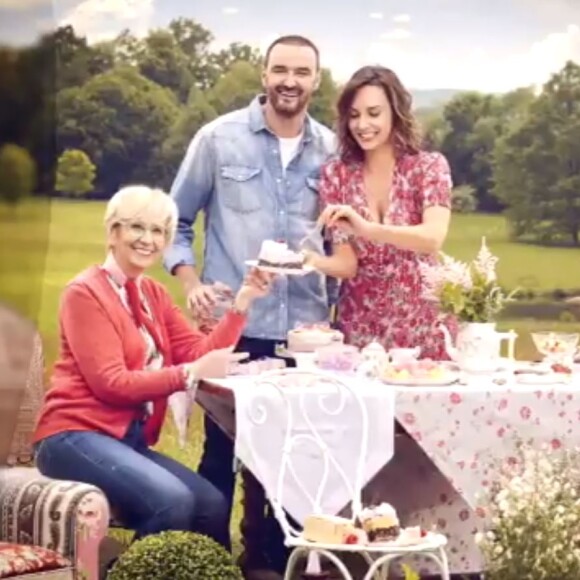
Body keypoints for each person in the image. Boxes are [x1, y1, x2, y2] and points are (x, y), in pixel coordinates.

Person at [163, 35, 335, 578]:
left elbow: (342, 242)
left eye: (301, 72)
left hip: (305, 334)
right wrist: (190, 281)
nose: (290, 80)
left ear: (316, 80)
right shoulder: (218, 139)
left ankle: (277, 561)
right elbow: (176, 220)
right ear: (264, 74)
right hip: (233, 329)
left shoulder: (331, 150)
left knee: (296, 455)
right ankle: (211, 563)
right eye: (280, 69)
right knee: (223, 455)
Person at [32, 185, 274, 551]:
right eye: (137, 228)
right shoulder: (84, 293)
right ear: (113, 232)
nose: (148, 239)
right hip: (73, 436)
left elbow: (198, 350)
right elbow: (111, 384)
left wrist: (241, 304)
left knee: (210, 504)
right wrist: (188, 373)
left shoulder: (153, 294)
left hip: (126, 441)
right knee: (171, 501)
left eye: (159, 231)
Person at [307, 65, 456, 358]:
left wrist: (368, 230)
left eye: (374, 113)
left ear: (395, 112)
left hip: (424, 325)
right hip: (362, 331)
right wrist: (308, 261)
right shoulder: (336, 175)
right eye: (354, 115)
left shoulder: (428, 167)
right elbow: (347, 264)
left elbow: (433, 238)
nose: (362, 124)